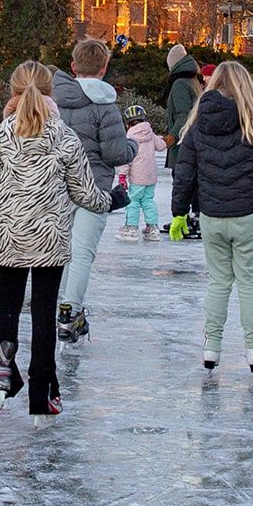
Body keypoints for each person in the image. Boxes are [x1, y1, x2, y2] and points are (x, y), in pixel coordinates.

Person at [0, 61, 111, 426]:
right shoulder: (64, 137)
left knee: (8, 306)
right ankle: (41, 399)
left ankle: (0, 376)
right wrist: (111, 200)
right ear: (51, 92)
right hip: (50, 238)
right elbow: (85, 192)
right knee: (43, 315)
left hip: (10, 236)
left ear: (12, 91)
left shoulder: (1, 135)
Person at [170, 61, 253, 373]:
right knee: (248, 283)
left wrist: (179, 213)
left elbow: (184, 173)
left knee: (218, 282)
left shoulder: (198, 125)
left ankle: (211, 348)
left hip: (213, 216)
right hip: (248, 215)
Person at [54, 37, 136, 345]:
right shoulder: (106, 106)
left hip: (56, 188)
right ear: (104, 68)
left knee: (59, 252)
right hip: (93, 188)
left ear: (73, 66)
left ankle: (58, 304)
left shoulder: (54, 101)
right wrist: (133, 145)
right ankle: (69, 310)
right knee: (82, 254)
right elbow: (116, 153)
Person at [163, 45, 204, 239]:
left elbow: (183, 114)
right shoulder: (193, 81)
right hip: (196, 140)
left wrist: (172, 137)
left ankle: (187, 218)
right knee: (194, 181)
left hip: (184, 143)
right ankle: (197, 216)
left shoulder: (180, 84)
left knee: (182, 180)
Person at [115, 106, 164, 242]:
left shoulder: (129, 137)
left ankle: (131, 227)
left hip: (137, 177)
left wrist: (122, 176)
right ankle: (152, 227)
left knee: (133, 202)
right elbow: (161, 146)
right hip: (151, 176)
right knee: (148, 201)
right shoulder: (150, 134)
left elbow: (126, 159)